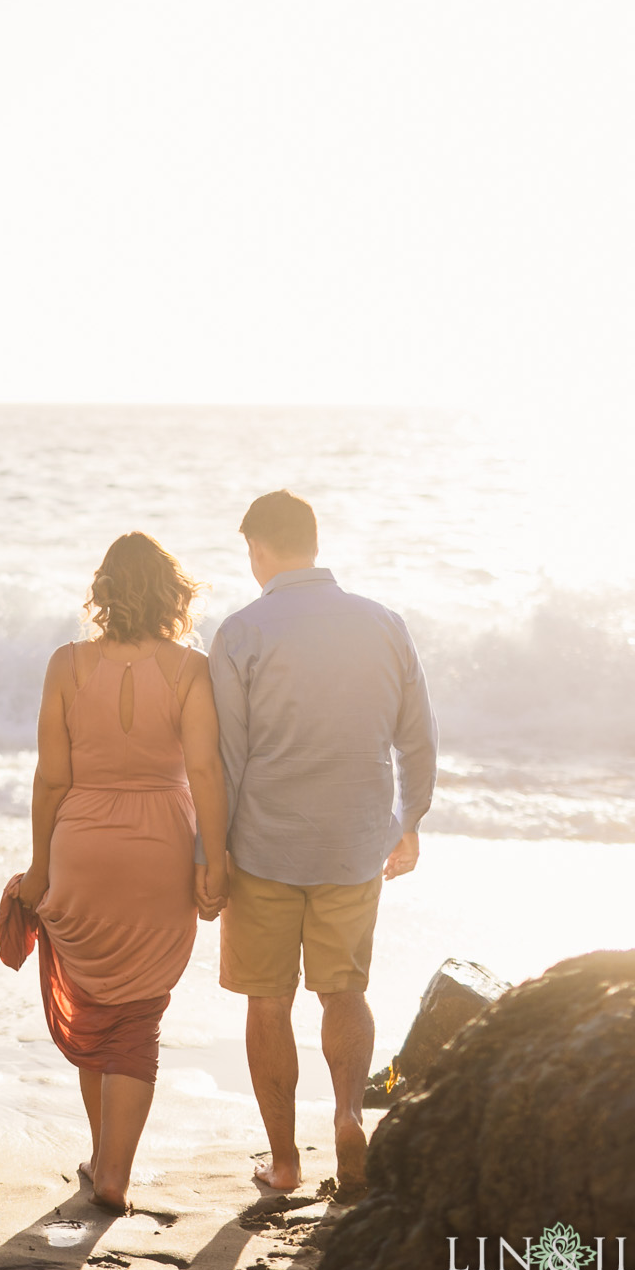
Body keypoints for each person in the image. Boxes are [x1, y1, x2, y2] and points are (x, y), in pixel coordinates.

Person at [210, 490, 437, 1202]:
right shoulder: (383, 624)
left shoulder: (242, 632)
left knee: (269, 1003)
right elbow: (418, 736)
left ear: (258, 551)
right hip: (353, 843)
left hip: (263, 848)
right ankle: (346, 1116)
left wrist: (208, 852)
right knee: (345, 991)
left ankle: (283, 1162)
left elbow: (225, 757)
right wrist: (411, 821)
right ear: (313, 541)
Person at [8, 532, 231, 1213]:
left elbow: (51, 778)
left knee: (96, 999)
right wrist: (213, 862)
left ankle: (103, 1150)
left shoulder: (66, 664)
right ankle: (114, 1171)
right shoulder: (190, 670)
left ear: (103, 592)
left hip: (82, 843)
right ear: (175, 594)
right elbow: (205, 772)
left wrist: (41, 867)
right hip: (161, 845)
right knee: (138, 1015)